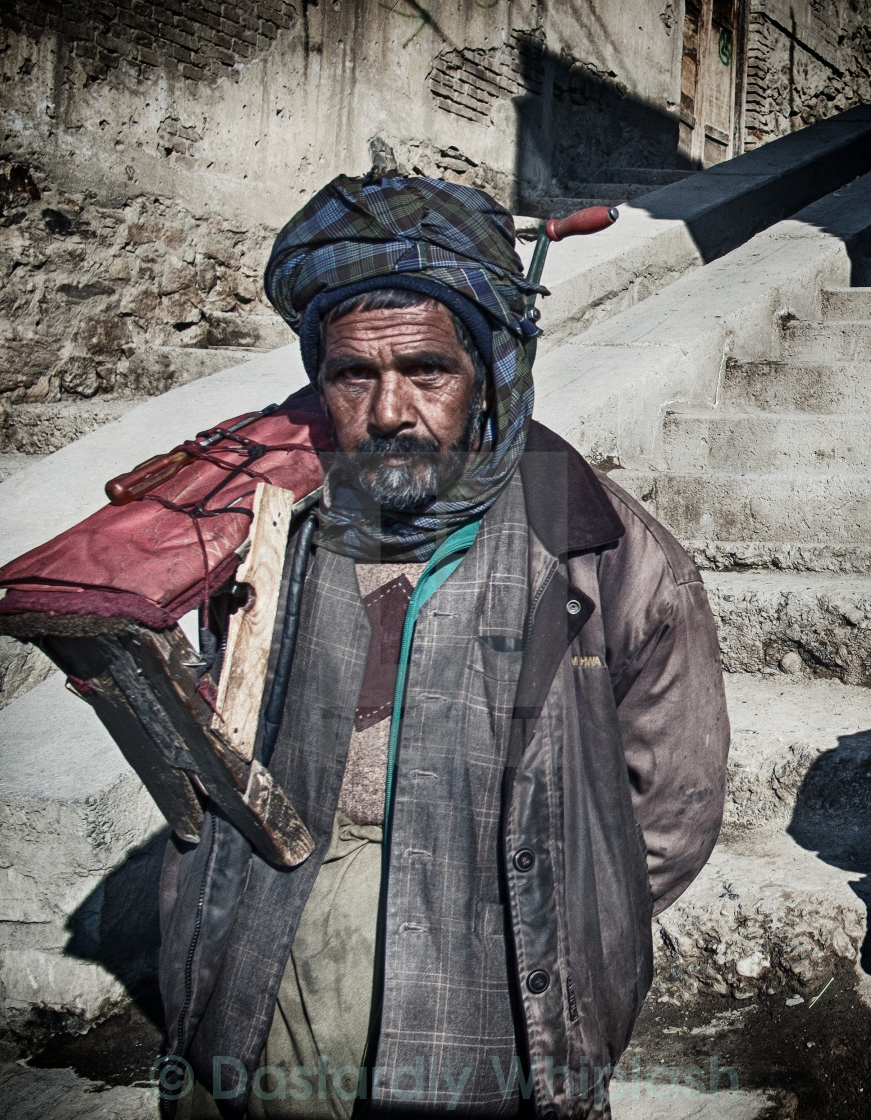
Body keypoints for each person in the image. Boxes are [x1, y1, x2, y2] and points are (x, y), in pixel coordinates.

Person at [155, 173, 730, 1120]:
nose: (388, 412)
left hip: (498, 993)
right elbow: (221, 754)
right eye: (353, 376)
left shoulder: (602, 552)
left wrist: (567, 921)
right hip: (278, 979)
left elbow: (672, 806)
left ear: (488, 371)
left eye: (427, 370)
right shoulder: (278, 533)